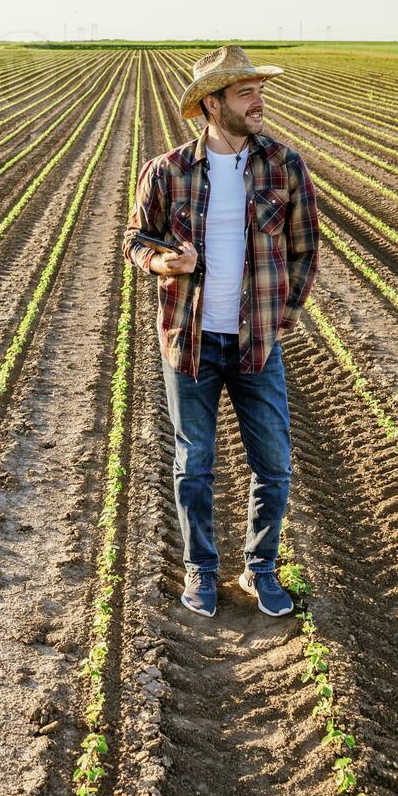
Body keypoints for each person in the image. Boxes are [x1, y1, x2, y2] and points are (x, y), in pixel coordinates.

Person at [121, 45, 320, 618]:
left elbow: (305, 248)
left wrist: (283, 314)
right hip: (190, 340)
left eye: (260, 90)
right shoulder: (168, 171)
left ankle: (260, 569)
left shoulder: (285, 165)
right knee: (195, 462)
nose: (259, 102)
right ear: (213, 103)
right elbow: (136, 239)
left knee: (274, 462)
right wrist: (163, 264)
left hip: (257, 341)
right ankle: (201, 569)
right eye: (245, 93)